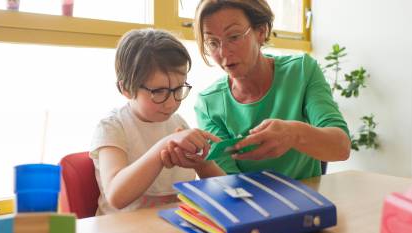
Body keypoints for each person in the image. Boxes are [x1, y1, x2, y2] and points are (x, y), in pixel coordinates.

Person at [166, 0, 351, 180]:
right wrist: (200, 162)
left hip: (310, 203)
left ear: (261, 31)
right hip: (250, 206)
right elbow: (229, 183)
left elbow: (341, 147)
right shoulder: (209, 104)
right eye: (213, 42)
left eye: (234, 37)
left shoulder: (301, 71)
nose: (223, 53)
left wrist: (293, 133)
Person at [90, 28, 225, 215]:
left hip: (172, 227)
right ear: (126, 88)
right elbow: (116, 195)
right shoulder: (113, 127)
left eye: (178, 88)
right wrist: (163, 146)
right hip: (121, 230)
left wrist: (201, 162)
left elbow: (222, 191)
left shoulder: (178, 123)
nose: (172, 102)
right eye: (159, 91)